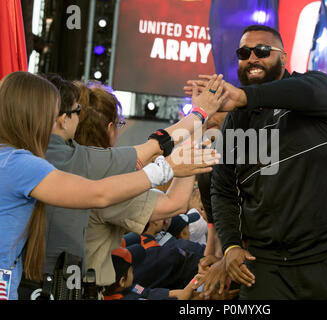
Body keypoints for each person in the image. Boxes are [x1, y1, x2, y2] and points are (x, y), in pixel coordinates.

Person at [185, 25, 327, 300]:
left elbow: (311, 90)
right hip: (267, 263)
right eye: (244, 52)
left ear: (283, 57)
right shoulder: (236, 122)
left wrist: (243, 97)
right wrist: (232, 246)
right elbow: (223, 190)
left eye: (262, 51)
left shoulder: (317, 93)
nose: (252, 58)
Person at [0, 71, 216, 300]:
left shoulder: (19, 159)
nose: (54, 120)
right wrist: (193, 127)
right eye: (53, 113)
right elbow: (100, 193)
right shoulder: (26, 163)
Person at [122, 219, 202, 290]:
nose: (165, 221)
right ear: (155, 221)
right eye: (161, 217)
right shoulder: (157, 253)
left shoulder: (128, 241)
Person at [103, 244, 197, 300]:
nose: (134, 272)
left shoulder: (127, 288)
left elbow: (149, 293)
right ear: (122, 281)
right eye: (131, 270)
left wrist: (182, 293)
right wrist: (194, 282)